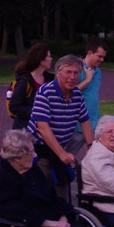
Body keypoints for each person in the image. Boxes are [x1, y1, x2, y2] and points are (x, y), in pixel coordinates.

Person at [27, 55, 93, 197]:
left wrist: (92, 147)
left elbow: (85, 121)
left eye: (76, 73)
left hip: (59, 149)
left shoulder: (77, 94)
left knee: (62, 192)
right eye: (68, 72)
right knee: (42, 192)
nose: (72, 77)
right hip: (39, 151)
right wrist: (61, 153)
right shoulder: (45, 92)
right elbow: (43, 127)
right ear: (57, 73)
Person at [8, 43, 54, 130]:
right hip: (25, 130)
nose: (51, 59)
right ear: (42, 61)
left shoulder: (50, 79)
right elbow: (14, 106)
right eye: (49, 56)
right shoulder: (24, 81)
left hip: (44, 130)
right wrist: (36, 111)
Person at [76, 37, 107, 139]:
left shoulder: (97, 71)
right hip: (77, 125)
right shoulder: (76, 69)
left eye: (103, 57)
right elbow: (68, 93)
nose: (102, 60)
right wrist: (87, 80)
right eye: (99, 56)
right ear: (90, 53)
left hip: (94, 122)